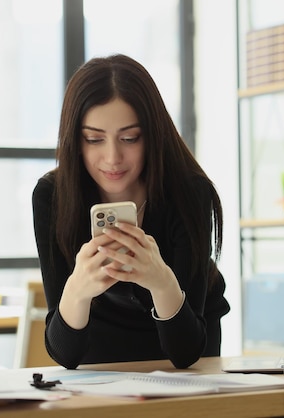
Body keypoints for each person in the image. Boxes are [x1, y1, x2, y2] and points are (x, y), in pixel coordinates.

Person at [32, 54, 230, 370]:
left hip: (187, 358)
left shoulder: (188, 192)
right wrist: (78, 291)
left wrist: (162, 281)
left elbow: (186, 353)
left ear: (152, 135)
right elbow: (64, 355)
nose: (113, 157)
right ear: (76, 140)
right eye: (94, 139)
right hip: (98, 366)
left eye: (129, 138)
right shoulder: (53, 196)